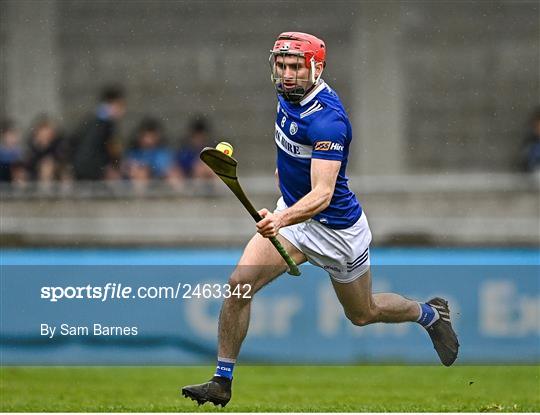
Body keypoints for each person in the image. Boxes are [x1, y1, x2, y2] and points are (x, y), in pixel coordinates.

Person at [182, 32, 459, 407]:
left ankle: (428, 313)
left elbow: (323, 195)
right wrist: (284, 195)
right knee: (239, 286)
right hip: (295, 217)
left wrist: (280, 220)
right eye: (281, 65)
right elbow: (291, 153)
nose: (287, 74)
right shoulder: (285, 95)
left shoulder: (329, 121)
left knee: (363, 314)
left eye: (295, 66)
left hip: (338, 231)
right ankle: (222, 380)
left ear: (316, 68)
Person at [70, 85, 126, 181]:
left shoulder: (90, 120)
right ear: (114, 104)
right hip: (94, 171)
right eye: (121, 105)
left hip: (79, 168)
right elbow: (111, 148)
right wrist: (115, 166)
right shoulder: (107, 123)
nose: (123, 110)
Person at [124, 117, 181, 191]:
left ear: (157, 137)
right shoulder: (133, 152)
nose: (148, 140)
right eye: (145, 136)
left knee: (174, 176)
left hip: (160, 182)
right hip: (137, 182)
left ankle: (179, 199)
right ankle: (138, 201)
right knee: (140, 175)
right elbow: (126, 167)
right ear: (139, 136)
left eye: (151, 136)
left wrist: (149, 170)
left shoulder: (163, 153)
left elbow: (166, 169)